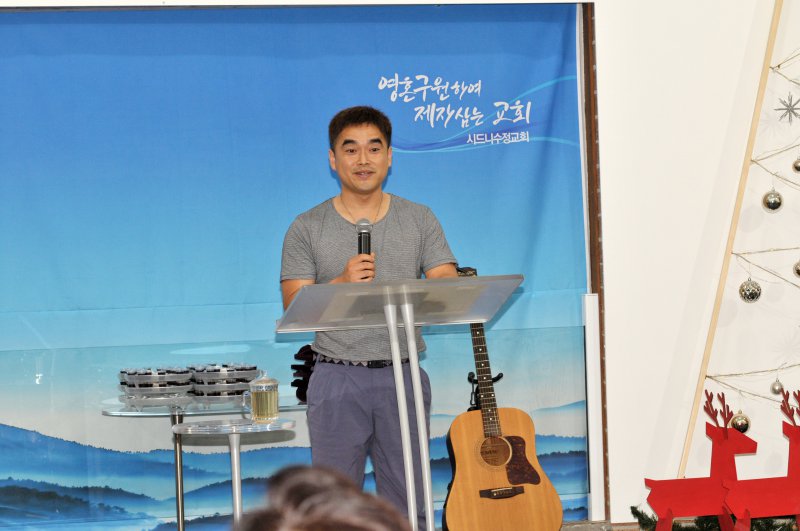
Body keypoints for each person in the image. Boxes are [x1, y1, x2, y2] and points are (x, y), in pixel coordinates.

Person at [280, 106, 457, 527]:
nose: (363, 160)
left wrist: (441, 285)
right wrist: (341, 282)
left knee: (409, 501)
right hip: (336, 377)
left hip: (403, 374)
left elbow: (446, 285)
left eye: (374, 149)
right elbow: (293, 306)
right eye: (351, 149)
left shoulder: (419, 218)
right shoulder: (307, 226)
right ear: (333, 159)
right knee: (332, 508)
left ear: (389, 156)